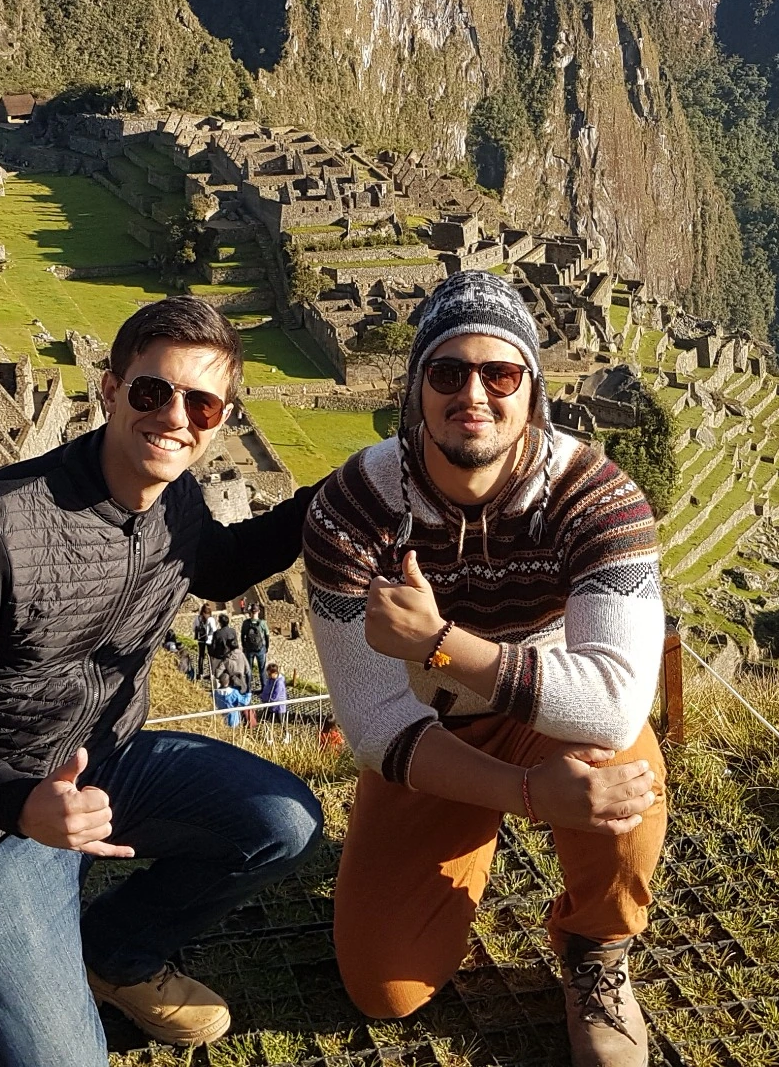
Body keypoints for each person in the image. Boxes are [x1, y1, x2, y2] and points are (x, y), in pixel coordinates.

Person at [0, 297, 324, 1065]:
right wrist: (17, 802)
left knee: (284, 823)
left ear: (221, 419)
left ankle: (113, 953)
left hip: (105, 768)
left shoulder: (175, 499)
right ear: (111, 389)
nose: (174, 417)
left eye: (201, 404)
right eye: (152, 391)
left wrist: (339, 495)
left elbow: (216, 568)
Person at [305, 271, 666, 1067]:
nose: (473, 394)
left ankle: (596, 949)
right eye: (447, 373)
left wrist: (441, 643)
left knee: (624, 766)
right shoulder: (350, 513)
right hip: (430, 730)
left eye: (500, 374)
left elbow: (612, 703)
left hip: (557, 715)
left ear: (532, 392)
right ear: (416, 390)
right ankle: (467, 829)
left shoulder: (598, 499)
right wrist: (528, 795)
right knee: (385, 990)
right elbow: (374, 726)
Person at [259, 662, 290, 743]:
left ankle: (287, 735)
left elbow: (275, 697)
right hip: (269, 704)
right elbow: (266, 689)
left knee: (281, 721)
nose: (268, 675)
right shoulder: (270, 679)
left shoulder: (279, 683)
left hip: (278, 706)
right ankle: (268, 736)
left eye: (269, 674)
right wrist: (263, 696)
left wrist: (265, 699)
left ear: (275, 673)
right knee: (265, 720)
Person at [243, 607, 270, 686]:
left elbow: (242, 636)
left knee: (249, 669)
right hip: (260, 648)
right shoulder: (262, 623)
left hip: (249, 649)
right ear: (259, 611)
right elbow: (267, 636)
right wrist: (266, 647)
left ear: (250, 612)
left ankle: (248, 688)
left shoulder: (246, 623)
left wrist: (244, 646)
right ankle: (263, 687)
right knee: (262, 669)